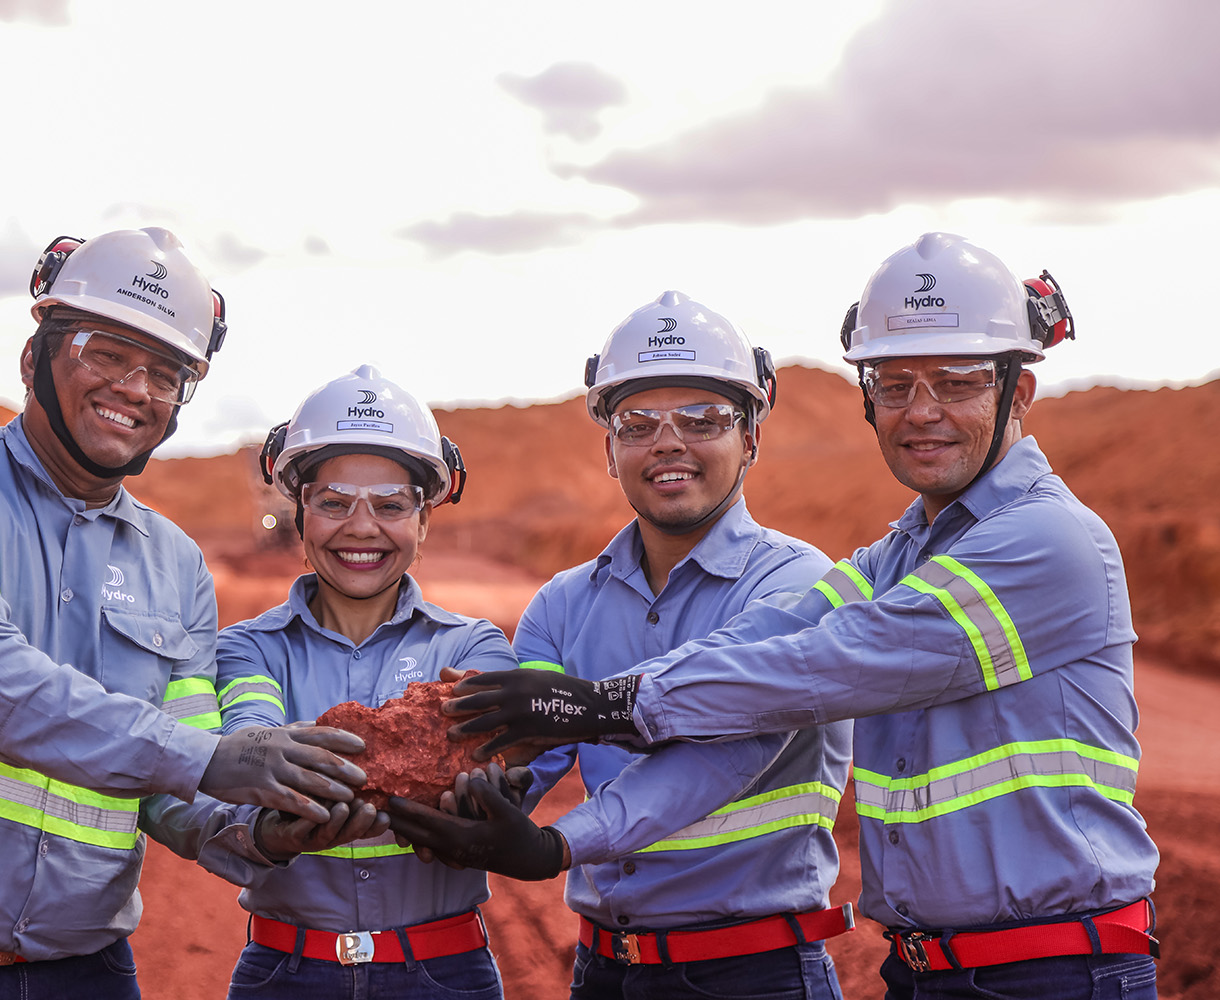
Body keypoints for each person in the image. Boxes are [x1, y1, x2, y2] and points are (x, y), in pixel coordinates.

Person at [429, 233, 1162, 999]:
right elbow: (773, 639)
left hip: (1051, 971)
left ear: (1019, 392)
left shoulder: (1047, 540)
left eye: (956, 382)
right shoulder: (903, 553)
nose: (923, 413)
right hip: (930, 968)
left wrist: (601, 712)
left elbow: (829, 662)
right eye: (895, 384)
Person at [0, 228, 367, 1000]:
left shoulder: (177, 564)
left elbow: (178, 773)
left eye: (165, 372)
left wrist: (259, 830)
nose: (134, 387)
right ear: (33, 359)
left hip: (84, 973)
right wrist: (212, 759)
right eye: (105, 352)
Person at [390, 293, 855, 999]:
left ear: (751, 438)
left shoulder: (797, 586)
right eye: (637, 422)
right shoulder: (563, 603)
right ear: (611, 448)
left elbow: (721, 757)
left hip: (756, 974)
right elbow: (527, 752)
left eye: (702, 419)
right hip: (607, 971)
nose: (667, 442)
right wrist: (470, 783)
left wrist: (555, 846)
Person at [201, 364, 516, 999]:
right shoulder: (246, 649)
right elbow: (248, 745)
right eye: (334, 502)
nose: (362, 528)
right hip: (284, 974)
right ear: (300, 513)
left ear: (424, 521)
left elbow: (506, 779)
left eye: (392, 506)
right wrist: (268, 821)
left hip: (444, 975)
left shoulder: (473, 647)